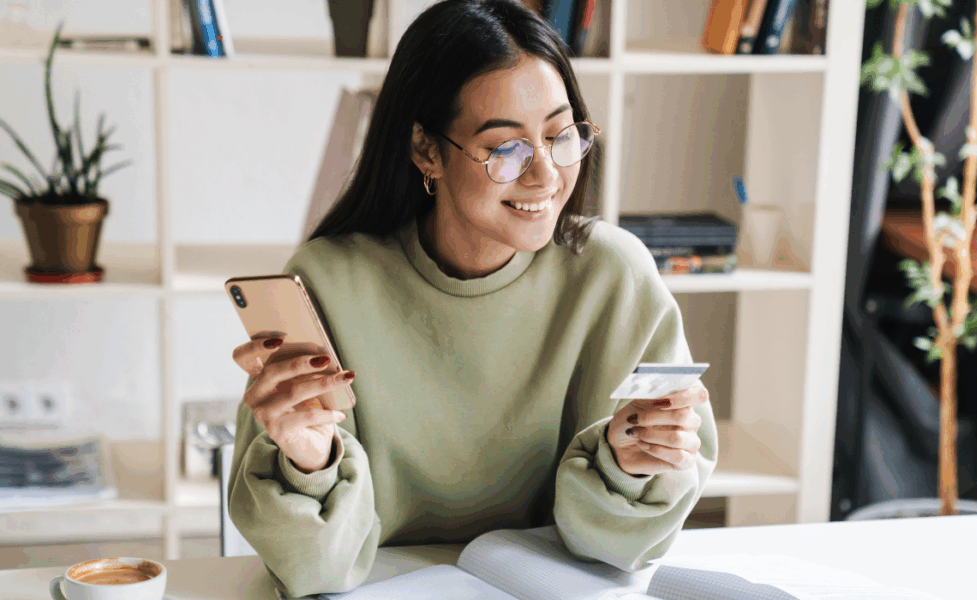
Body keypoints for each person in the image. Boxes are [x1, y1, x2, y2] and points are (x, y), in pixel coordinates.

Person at [226, 0, 718, 596]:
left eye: (561, 135)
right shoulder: (330, 280)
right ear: (426, 150)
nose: (545, 175)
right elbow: (316, 569)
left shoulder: (615, 277)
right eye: (505, 148)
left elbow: (617, 553)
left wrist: (632, 466)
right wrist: (309, 462)